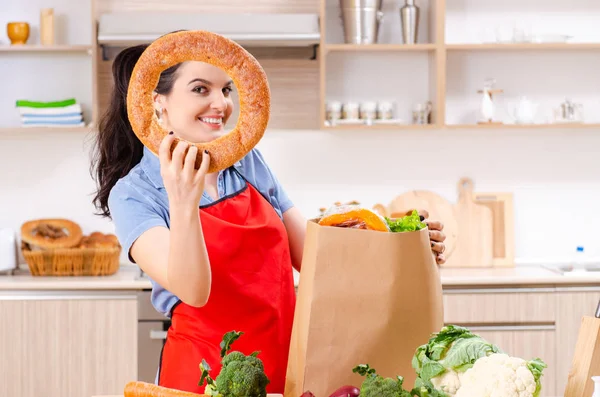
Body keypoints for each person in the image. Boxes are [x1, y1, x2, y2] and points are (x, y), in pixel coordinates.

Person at [90, 39, 447, 394]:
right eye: (201, 89)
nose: (222, 104)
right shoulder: (135, 192)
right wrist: (184, 201)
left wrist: (403, 246)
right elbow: (193, 291)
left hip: (287, 365)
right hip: (202, 378)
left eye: (226, 89)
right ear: (158, 104)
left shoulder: (247, 162)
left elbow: (314, 260)